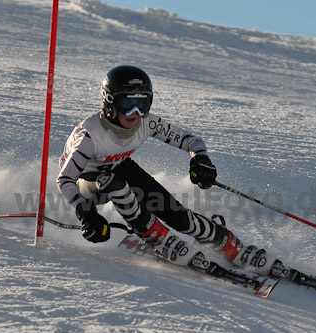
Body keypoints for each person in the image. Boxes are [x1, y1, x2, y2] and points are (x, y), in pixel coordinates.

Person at [57, 65, 286, 277]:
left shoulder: (146, 123)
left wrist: (200, 159)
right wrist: (86, 214)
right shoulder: (88, 136)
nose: (135, 113)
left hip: (119, 167)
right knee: (113, 181)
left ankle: (230, 244)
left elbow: (191, 140)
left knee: (176, 215)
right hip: (87, 183)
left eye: (143, 104)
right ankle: (157, 238)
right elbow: (65, 179)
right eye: (128, 104)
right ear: (109, 102)